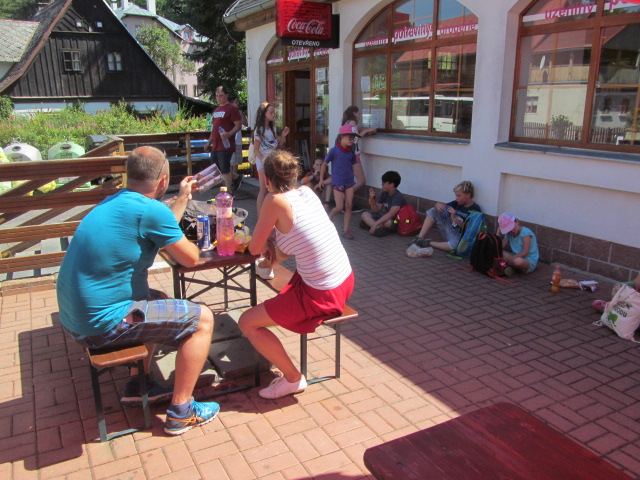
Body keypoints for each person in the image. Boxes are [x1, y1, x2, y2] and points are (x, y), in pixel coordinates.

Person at [56, 146, 219, 436]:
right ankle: (182, 412)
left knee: (158, 300)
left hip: (75, 318)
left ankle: (137, 383)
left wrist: (182, 198)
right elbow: (191, 259)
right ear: (162, 181)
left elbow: (161, 223)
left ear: (128, 175)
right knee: (203, 319)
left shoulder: (114, 200)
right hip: (99, 326)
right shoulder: (151, 210)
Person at [238, 150, 354, 399]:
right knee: (277, 290)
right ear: (294, 175)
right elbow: (296, 242)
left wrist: (266, 239)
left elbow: (255, 249)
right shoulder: (307, 192)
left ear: (266, 179)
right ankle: (289, 374)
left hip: (322, 294)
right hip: (344, 280)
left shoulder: (274, 200)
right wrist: (272, 242)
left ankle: (292, 379)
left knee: (247, 322)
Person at [410, 180, 481, 252]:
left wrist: (454, 218)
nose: (456, 198)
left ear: (468, 195)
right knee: (433, 210)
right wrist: (437, 204)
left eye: (459, 196)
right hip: (448, 228)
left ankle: (426, 243)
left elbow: (469, 229)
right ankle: (419, 238)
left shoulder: (475, 209)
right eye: (456, 195)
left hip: (458, 236)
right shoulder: (456, 203)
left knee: (456, 246)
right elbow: (442, 207)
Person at [320, 124, 360, 240]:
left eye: (353, 138)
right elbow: (324, 164)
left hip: (349, 182)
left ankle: (345, 230)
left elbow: (353, 166)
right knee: (339, 207)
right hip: (338, 182)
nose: (351, 140)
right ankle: (329, 218)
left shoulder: (351, 152)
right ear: (341, 137)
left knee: (349, 206)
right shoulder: (334, 151)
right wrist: (322, 179)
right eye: (349, 137)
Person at [204, 86, 243, 194]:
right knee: (216, 167)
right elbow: (214, 129)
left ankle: (228, 192)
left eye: (221, 95)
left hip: (226, 145)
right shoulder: (217, 110)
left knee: (224, 168)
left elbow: (238, 125)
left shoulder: (231, 109)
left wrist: (229, 134)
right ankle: (236, 177)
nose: (219, 98)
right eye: (217, 96)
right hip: (216, 144)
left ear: (226, 95)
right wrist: (209, 142)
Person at [252, 102, 290, 213]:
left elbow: (278, 147)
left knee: (273, 188)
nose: (273, 115)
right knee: (263, 189)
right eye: (271, 112)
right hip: (263, 161)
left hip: (272, 161)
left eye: (274, 112)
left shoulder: (272, 129)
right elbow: (256, 149)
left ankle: (271, 213)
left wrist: (283, 136)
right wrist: (264, 161)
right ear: (264, 114)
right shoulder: (259, 130)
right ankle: (260, 216)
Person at [341, 106, 376, 196]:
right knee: (361, 181)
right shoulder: (352, 122)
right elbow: (354, 139)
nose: (359, 115)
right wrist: (366, 131)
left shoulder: (346, 122)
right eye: (358, 113)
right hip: (353, 155)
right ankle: (346, 196)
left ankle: (345, 197)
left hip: (347, 154)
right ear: (354, 113)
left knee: (350, 179)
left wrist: (361, 129)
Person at [360, 170, 406, 237]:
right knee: (364, 214)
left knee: (390, 223)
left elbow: (391, 214)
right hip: (384, 217)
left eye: (384, 183)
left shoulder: (398, 197)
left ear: (392, 184)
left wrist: (375, 224)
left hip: (397, 220)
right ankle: (378, 229)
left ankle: (372, 226)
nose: (382, 185)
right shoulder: (384, 193)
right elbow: (376, 210)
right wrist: (372, 199)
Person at [228, 94, 245, 193]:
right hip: (230, 140)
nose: (237, 103)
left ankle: (235, 179)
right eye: (235, 102)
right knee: (230, 161)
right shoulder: (229, 113)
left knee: (236, 161)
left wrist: (242, 115)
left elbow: (245, 123)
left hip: (237, 140)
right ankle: (233, 179)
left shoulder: (238, 113)